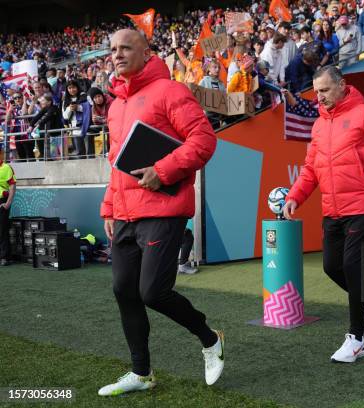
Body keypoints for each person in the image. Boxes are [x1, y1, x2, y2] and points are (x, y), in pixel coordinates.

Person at [98, 29, 224, 397]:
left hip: (163, 208)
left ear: (146, 51)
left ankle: (210, 338)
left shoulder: (171, 91)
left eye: (125, 48)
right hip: (124, 213)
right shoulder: (116, 105)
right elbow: (116, 163)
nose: (117, 55)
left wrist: (163, 171)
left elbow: (204, 140)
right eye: (113, 50)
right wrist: (109, 206)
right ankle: (141, 373)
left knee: (152, 292)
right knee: (125, 291)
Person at [283, 66, 364, 363]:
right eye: (316, 91)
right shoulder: (318, 125)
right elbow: (311, 170)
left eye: (325, 90)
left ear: (342, 85)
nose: (319, 97)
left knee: (351, 266)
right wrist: (294, 196)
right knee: (331, 267)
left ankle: (356, 339)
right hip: (333, 209)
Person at [0, 147, 16, 266]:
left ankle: (5, 257)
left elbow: (12, 186)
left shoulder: (6, 168)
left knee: (2, 229)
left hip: (2, 201)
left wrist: (8, 203)